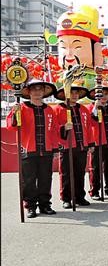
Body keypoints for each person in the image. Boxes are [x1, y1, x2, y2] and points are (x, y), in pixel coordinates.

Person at [7, 79, 59, 218]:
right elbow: (11, 127)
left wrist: (55, 148)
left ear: (43, 92)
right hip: (27, 150)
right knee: (28, 180)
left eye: (40, 89)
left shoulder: (49, 110)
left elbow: (53, 130)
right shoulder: (21, 107)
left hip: (46, 150)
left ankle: (45, 205)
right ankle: (30, 206)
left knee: (45, 179)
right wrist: (14, 113)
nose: (37, 91)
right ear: (29, 92)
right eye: (34, 89)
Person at [54, 83, 92, 208]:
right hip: (66, 146)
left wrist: (90, 143)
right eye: (71, 92)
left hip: (81, 146)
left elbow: (88, 128)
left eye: (76, 93)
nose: (74, 95)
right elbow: (53, 129)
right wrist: (63, 128)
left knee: (80, 173)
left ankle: (80, 196)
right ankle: (66, 198)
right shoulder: (58, 109)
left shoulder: (84, 109)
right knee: (66, 174)